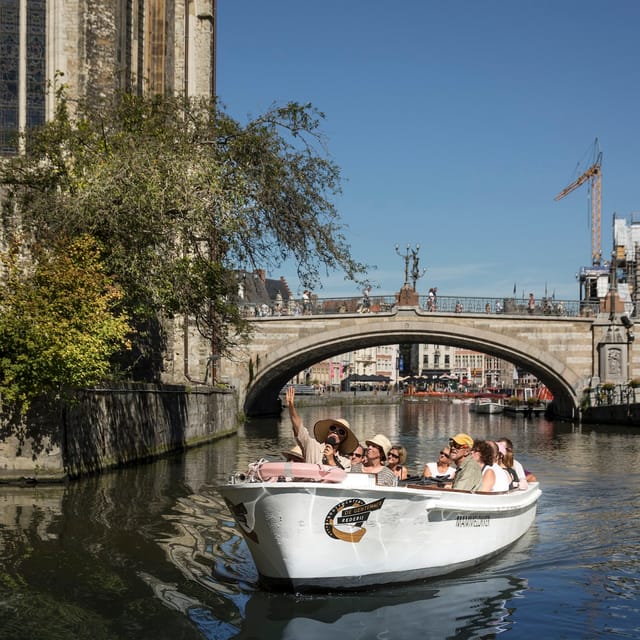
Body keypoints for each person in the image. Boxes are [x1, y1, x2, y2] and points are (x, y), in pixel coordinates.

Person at [285, 386, 356, 469]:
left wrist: (331, 460)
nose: (335, 432)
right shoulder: (312, 445)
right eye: (333, 428)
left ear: (344, 438)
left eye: (341, 432)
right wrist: (291, 407)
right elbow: (299, 428)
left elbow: (342, 478)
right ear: (328, 431)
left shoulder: (346, 461)